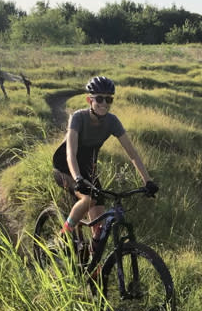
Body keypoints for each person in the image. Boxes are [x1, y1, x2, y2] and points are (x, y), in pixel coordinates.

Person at [52, 76, 158, 249]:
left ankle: (93, 267)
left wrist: (148, 181)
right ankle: (61, 237)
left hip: (88, 170)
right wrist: (77, 178)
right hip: (65, 168)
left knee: (99, 229)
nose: (104, 103)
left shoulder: (112, 121)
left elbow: (132, 153)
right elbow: (70, 153)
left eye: (108, 99)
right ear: (89, 100)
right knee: (88, 199)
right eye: (99, 99)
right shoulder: (78, 118)